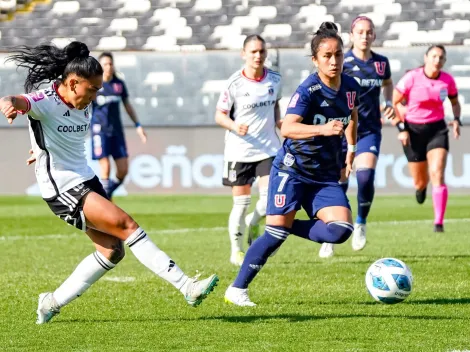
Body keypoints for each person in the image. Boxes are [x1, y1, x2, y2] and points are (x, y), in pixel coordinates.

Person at [0, 41, 218, 324]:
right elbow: (15, 100)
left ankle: (50, 302)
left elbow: (57, 138)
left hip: (86, 179)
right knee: (128, 225)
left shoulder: (84, 100)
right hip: (63, 188)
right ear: (74, 83)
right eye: (92, 89)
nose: (96, 95)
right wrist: (8, 107)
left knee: (112, 251)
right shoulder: (45, 102)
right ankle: (187, 286)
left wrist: (40, 149)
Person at [224, 22, 359, 306]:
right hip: (293, 169)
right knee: (274, 235)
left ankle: (286, 225)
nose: (333, 61)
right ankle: (237, 289)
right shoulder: (308, 90)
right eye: (327, 56)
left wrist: (351, 148)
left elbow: (351, 115)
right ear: (315, 60)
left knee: (341, 230)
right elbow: (287, 128)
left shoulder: (350, 86)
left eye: (338, 55)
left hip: (324, 175)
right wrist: (323, 130)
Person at [319, 16, 394, 258]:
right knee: (339, 183)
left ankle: (360, 222)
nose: (364, 35)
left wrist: (389, 101)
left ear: (374, 35)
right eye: (360, 31)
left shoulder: (381, 64)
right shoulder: (343, 61)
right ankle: (331, 233)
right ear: (352, 35)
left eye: (369, 32)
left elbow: (388, 84)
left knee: (364, 177)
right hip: (340, 130)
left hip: (369, 130)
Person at [215, 34, 283, 266]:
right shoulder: (234, 83)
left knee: (268, 202)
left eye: (261, 51)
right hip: (239, 151)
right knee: (241, 204)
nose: (258, 56)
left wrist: (279, 124)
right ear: (244, 54)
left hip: (268, 149)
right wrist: (235, 125)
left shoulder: (274, 79)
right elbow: (219, 115)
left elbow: (275, 107)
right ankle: (236, 250)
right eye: (253, 51)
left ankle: (255, 223)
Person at [392, 44, 461, 232]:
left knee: (438, 172)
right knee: (421, 181)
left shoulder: (447, 81)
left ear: (444, 61)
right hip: (413, 131)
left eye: (441, 57)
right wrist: (401, 127)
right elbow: (393, 102)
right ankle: (421, 189)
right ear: (426, 58)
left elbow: (454, 102)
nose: (437, 60)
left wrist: (456, 119)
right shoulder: (412, 78)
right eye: (434, 56)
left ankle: (438, 222)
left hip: (437, 129)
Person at [91, 52, 147, 199]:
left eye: (110, 64)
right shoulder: (94, 85)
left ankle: (105, 194)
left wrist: (138, 125)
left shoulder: (118, 85)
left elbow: (127, 105)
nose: (108, 67)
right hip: (99, 130)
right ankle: (105, 202)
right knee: (106, 168)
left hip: (116, 132)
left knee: (123, 170)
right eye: (105, 64)